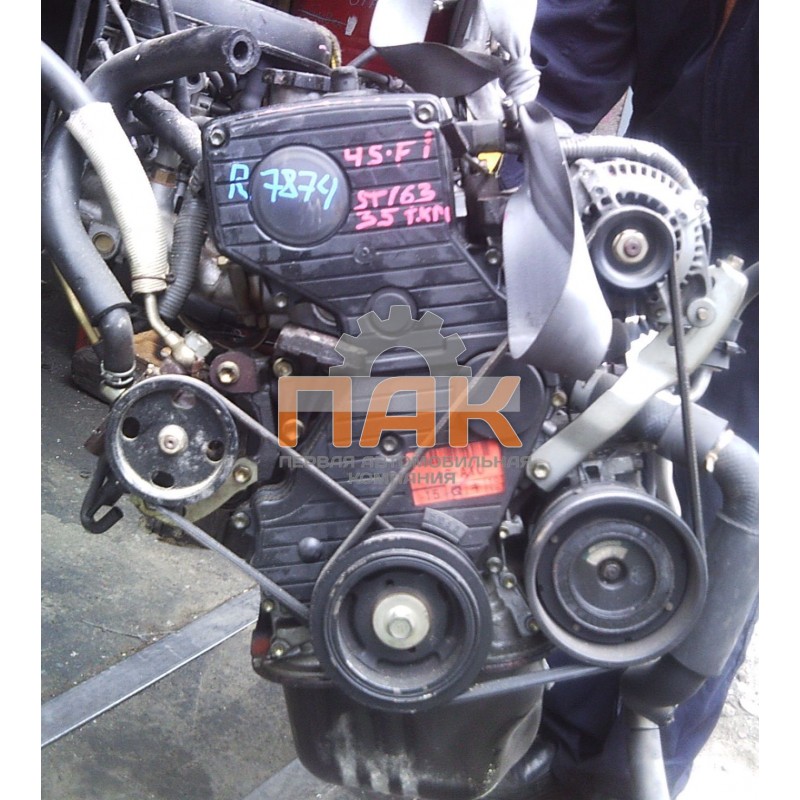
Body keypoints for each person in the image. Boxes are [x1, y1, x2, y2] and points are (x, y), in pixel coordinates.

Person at [492, 2, 758, 798]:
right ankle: (558, 740)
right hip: (649, 226)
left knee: (733, 508)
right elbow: (560, 72)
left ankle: (638, 766)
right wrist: (508, 182)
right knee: (592, 484)